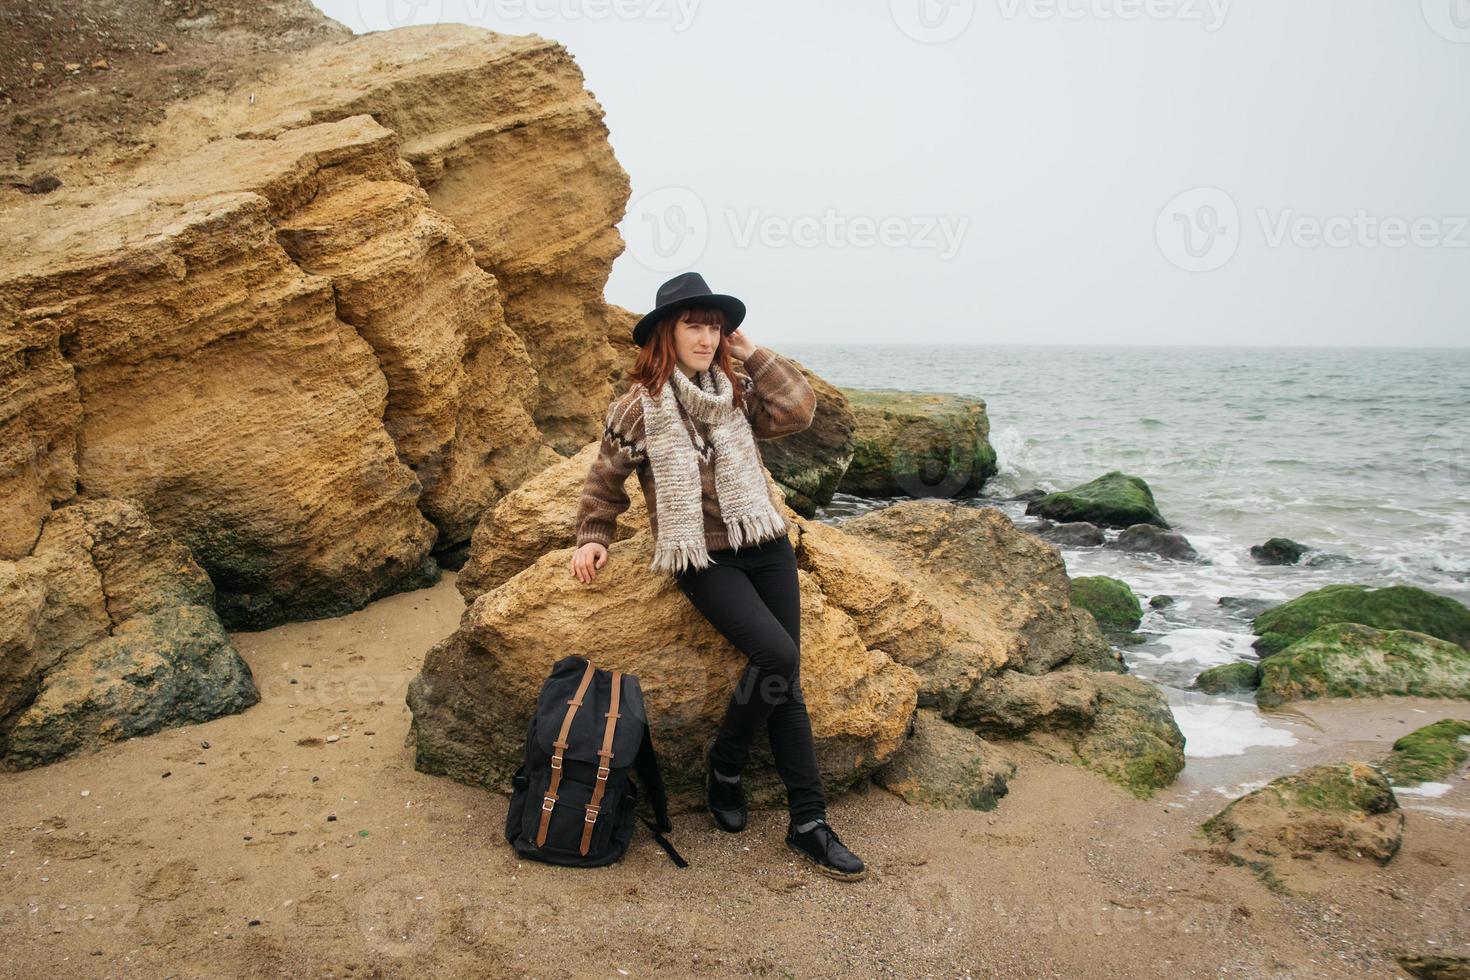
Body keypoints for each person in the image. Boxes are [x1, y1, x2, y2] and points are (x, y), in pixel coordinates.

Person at [568, 271, 866, 882]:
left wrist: (752, 351)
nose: (707, 337)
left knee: (784, 679)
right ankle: (726, 762)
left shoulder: (737, 391)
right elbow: (604, 482)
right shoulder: (635, 409)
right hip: (701, 556)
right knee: (779, 657)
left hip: (766, 541)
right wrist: (593, 538)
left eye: (715, 326)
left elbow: (800, 410)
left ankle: (807, 821)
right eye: (693, 325)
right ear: (665, 335)